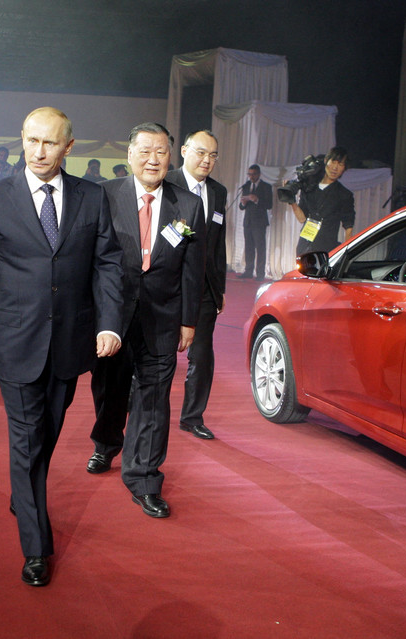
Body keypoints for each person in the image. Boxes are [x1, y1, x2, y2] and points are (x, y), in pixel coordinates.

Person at [0, 107, 124, 587]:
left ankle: (23, 488)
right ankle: (36, 546)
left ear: (68, 147)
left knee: (46, 432)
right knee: (27, 437)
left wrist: (110, 323)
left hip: (72, 342)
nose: (38, 151)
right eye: (31, 140)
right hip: (14, 340)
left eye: (49, 143)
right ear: (21, 140)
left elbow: (108, 264)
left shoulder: (91, 198)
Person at [86, 122, 205, 519]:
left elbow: (192, 267)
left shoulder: (187, 205)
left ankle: (145, 477)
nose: (153, 159)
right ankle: (106, 442)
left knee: (154, 397)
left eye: (161, 152)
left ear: (171, 157)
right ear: (130, 154)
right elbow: (89, 260)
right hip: (112, 313)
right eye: (145, 151)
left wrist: (188, 319)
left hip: (163, 315)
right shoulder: (103, 195)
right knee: (110, 386)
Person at [166, 130, 226, 440]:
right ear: (185, 150)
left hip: (204, 288)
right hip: (167, 284)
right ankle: (142, 407)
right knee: (155, 355)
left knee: (202, 355)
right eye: (201, 152)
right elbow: (165, 234)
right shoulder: (167, 182)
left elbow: (218, 244)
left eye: (213, 155)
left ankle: (192, 416)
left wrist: (221, 287)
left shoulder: (218, 192)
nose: (207, 160)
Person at [289, 146, 355, 255]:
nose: (335, 168)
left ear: (344, 168)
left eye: (340, 164)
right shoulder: (310, 188)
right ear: (326, 161)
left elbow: (348, 225)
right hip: (305, 243)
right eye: (333, 162)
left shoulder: (344, 194)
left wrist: (345, 252)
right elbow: (302, 219)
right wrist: (292, 202)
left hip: (326, 247)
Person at [239, 164, 272, 280]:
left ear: (258, 174)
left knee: (260, 248)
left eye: (253, 174)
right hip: (248, 221)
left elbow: (269, 204)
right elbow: (241, 207)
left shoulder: (266, 187)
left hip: (259, 222)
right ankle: (248, 271)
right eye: (249, 174)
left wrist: (257, 200)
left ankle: (260, 274)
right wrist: (243, 203)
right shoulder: (246, 186)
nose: (251, 177)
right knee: (249, 247)